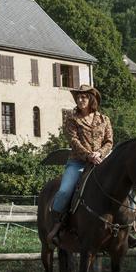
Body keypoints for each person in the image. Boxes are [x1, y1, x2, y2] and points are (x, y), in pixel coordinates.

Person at [47, 85, 113, 244]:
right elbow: (73, 141)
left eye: (84, 97)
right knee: (64, 191)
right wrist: (89, 155)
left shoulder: (104, 119)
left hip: (101, 161)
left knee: (122, 184)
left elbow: (109, 141)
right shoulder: (71, 119)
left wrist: (100, 153)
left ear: (92, 99)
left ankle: (129, 227)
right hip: (77, 162)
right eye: (78, 97)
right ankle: (57, 224)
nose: (80, 99)